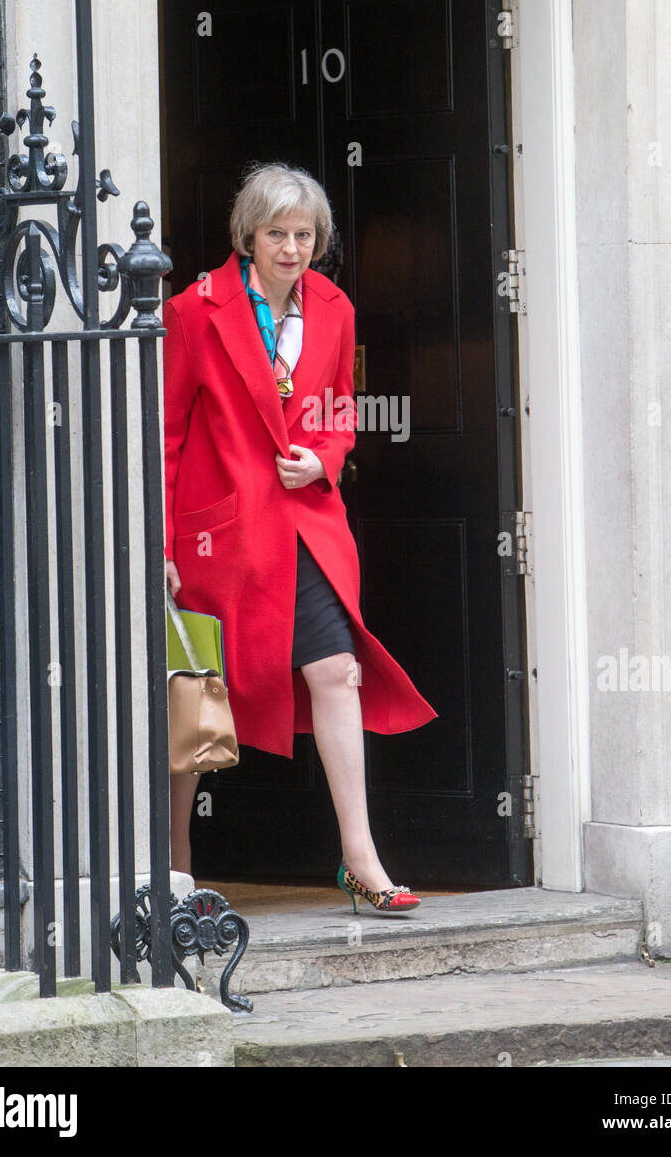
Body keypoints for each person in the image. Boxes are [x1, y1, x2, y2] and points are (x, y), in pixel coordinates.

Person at [162, 161, 438, 912]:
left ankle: (360, 858)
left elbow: (341, 407)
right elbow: (167, 434)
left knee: (337, 672)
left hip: (306, 524)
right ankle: (176, 861)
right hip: (221, 537)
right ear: (247, 236)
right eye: (276, 234)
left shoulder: (334, 307)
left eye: (304, 235)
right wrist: (163, 546)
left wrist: (326, 454)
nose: (291, 248)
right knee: (196, 691)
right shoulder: (195, 309)